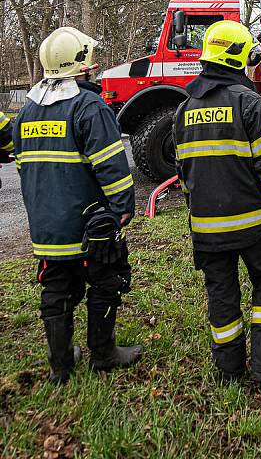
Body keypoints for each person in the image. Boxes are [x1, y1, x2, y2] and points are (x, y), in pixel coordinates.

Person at [173, 20, 261, 383]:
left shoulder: (184, 109)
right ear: (237, 58)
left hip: (207, 231)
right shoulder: (247, 103)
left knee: (222, 294)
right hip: (255, 226)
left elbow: (185, 176)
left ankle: (228, 368)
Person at [13, 27, 141, 383]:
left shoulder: (27, 112)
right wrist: (120, 209)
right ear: (81, 66)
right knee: (106, 281)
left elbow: (25, 171)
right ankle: (103, 354)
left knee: (56, 290)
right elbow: (112, 166)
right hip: (90, 226)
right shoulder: (88, 107)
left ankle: (60, 365)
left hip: (47, 228)